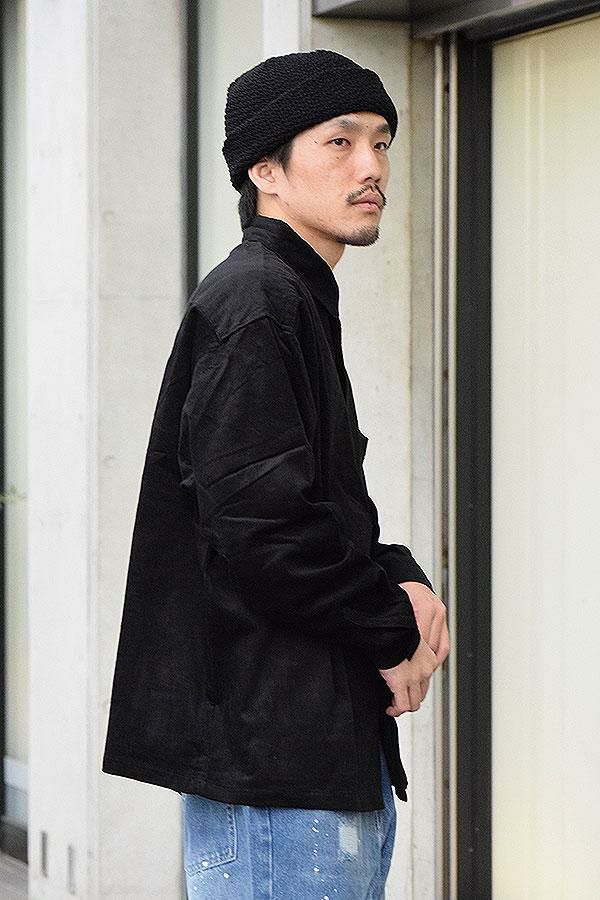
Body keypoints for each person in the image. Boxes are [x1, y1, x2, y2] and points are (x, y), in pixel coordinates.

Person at [102, 49, 450, 899]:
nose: (372, 167)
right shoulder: (258, 301)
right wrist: (392, 625)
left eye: (381, 142)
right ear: (265, 169)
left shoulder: (291, 295)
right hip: (277, 766)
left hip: (305, 755)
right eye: (340, 141)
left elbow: (304, 502)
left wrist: (401, 577)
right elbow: (263, 527)